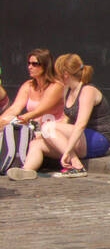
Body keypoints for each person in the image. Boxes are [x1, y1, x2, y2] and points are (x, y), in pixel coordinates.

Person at [23, 54, 110, 179]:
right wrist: (46, 136)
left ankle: (77, 165)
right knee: (37, 143)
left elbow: (81, 124)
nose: (56, 76)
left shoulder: (87, 90)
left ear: (65, 74)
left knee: (48, 127)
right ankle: (26, 172)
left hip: (98, 139)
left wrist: (67, 151)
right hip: (80, 139)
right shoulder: (68, 91)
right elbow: (65, 121)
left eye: (57, 73)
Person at [1, 49, 65, 181]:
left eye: (35, 64)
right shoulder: (28, 85)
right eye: (29, 63)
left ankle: (25, 170)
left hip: (52, 131)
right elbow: (15, 108)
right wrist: (2, 121)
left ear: (45, 65)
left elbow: (39, 111)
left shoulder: (56, 86)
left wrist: (20, 119)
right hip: (34, 129)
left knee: (25, 136)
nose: (30, 67)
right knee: (5, 126)